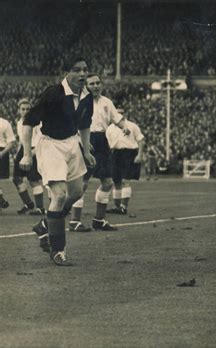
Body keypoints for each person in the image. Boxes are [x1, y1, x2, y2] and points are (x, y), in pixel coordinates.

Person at [20, 57, 95, 266]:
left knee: (77, 192)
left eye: (85, 70)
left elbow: (85, 124)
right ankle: (58, 250)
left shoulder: (87, 96)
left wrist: (86, 150)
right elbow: (28, 122)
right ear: (66, 72)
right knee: (59, 194)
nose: (82, 74)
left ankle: (45, 224)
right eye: (77, 70)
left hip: (72, 144)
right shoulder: (53, 94)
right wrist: (27, 153)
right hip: (51, 144)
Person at [68, 73, 128, 232]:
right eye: (92, 83)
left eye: (97, 83)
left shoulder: (106, 102)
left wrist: (125, 127)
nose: (95, 86)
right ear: (86, 85)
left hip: (101, 141)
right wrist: (83, 142)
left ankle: (99, 220)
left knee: (108, 182)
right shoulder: (79, 101)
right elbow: (73, 124)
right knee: (82, 183)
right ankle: (74, 221)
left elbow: (117, 119)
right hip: (84, 139)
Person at [106, 109, 145, 215]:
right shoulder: (109, 129)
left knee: (125, 180)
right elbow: (108, 144)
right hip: (115, 153)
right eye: (117, 113)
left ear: (125, 114)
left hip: (129, 153)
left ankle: (124, 207)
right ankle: (116, 206)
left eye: (121, 113)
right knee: (116, 181)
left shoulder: (132, 126)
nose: (119, 115)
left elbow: (140, 140)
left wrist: (139, 155)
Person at [12, 98, 45, 215]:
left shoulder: (36, 123)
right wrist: (18, 153)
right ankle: (28, 204)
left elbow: (40, 140)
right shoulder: (19, 122)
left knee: (33, 180)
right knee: (16, 179)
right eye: (23, 109)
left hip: (33, 150)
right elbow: (22, 140)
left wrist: (31, 154)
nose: (25, 111)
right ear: (19, 111)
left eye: (28, 109)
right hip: (23, 150)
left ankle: (40, 208)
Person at [0, 116, 16, 210]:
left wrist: (2, 153)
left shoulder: (4, 123)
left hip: (2, 151)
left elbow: (11, 141)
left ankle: (1, 201)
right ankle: (1, 201)